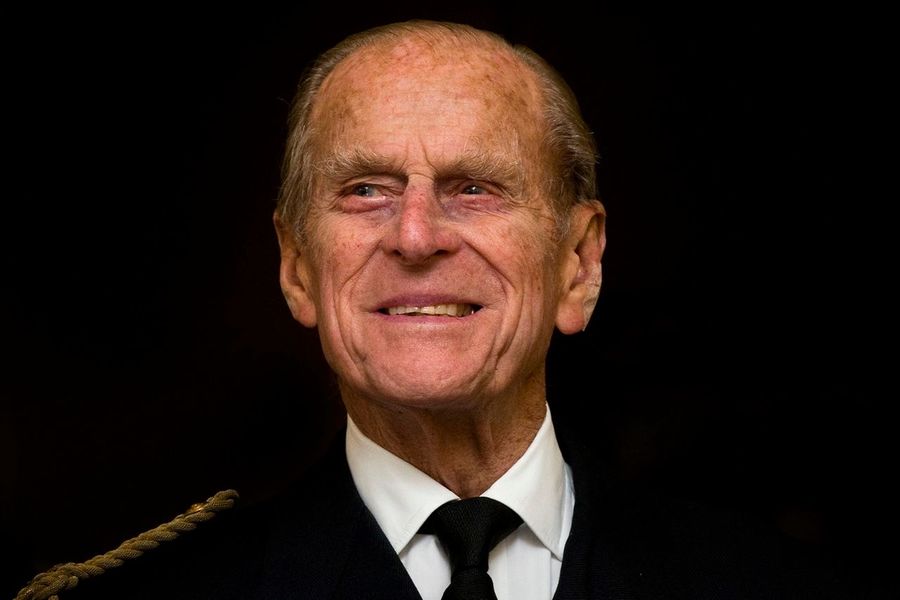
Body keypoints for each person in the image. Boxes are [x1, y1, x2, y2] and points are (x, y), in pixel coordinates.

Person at [17, 19, 863, 600]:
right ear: (297, 267)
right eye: (365, 190)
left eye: (475, 187)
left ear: (578, 264)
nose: (416, 236)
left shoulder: (777, 587)